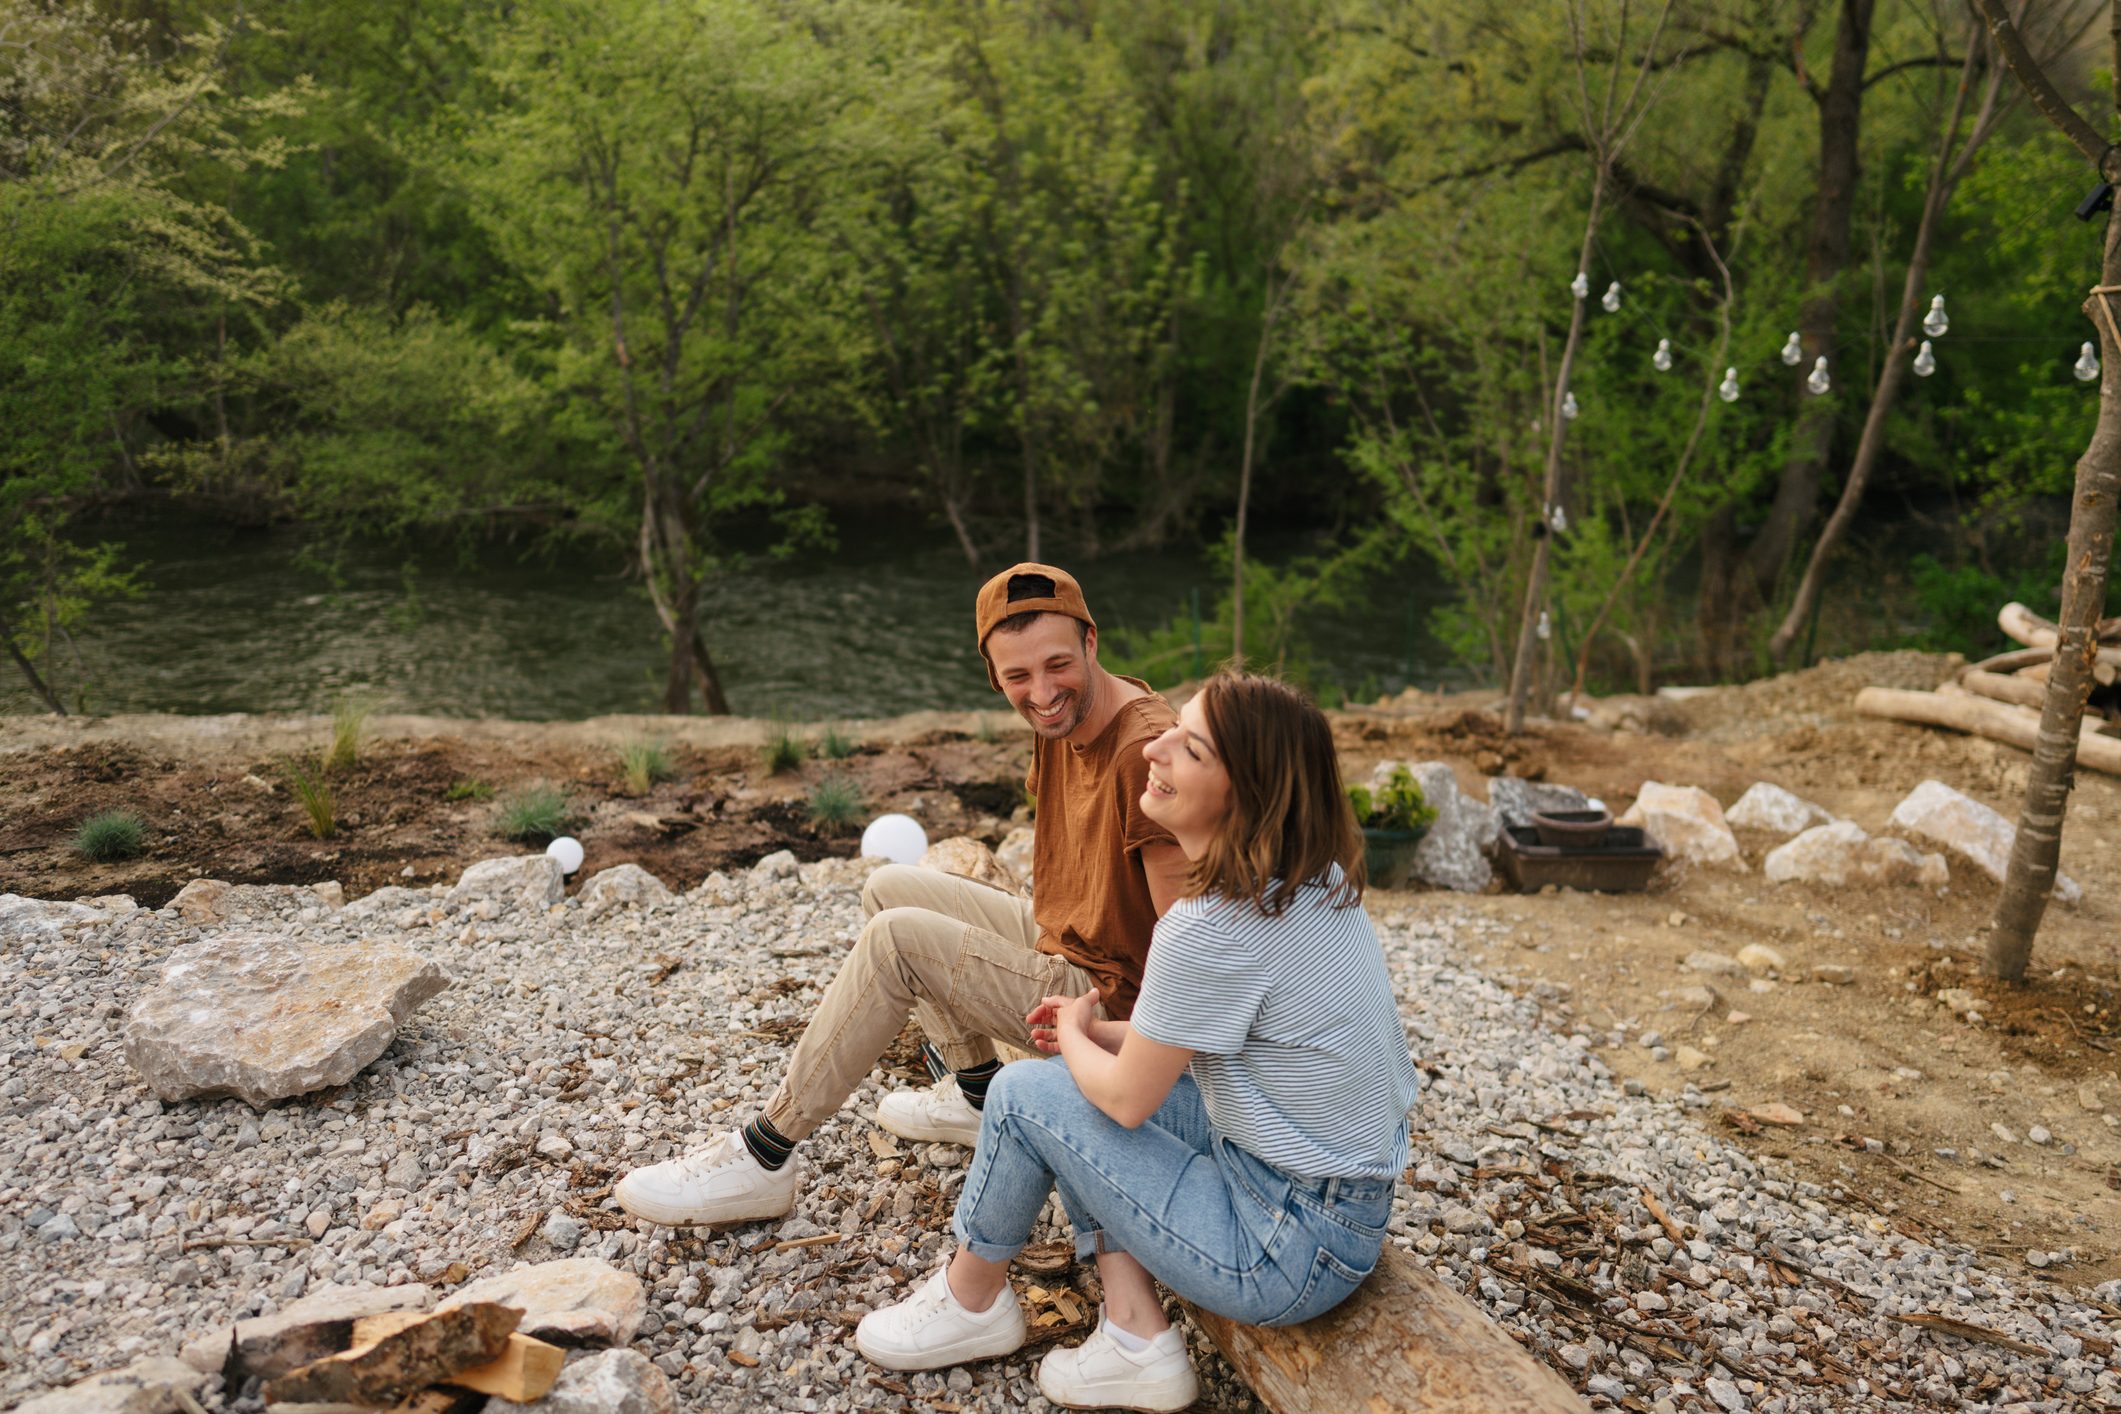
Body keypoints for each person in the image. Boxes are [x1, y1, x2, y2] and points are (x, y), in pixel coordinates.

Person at [853, 674, 1422, 1412]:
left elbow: (1124, 1102)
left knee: (1029, 1094)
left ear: (1243, 791)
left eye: (1187, 747)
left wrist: (1073, 1033)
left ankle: (971, 1302)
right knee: (1082, 1086)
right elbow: (1227, 1032)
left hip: (1281, 1252)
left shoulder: (1209, 925)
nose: (1152, 746)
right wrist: (1108, 1034)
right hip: (1338, 1208)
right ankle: (1132, 1335)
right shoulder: (1309, 887)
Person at [613, 564, 1189, 1227]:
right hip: (1067, 936)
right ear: (993, 676)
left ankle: (764, 1154)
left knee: (896, 942)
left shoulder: (1144, 748)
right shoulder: (1060, 712)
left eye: (1057, 664)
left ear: (1091, 643)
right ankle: (977, 1096)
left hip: (1102, 994)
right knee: (886, 888)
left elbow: (1183, 938)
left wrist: (1129, 1055)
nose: (1041, 691)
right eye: (1017, 678)